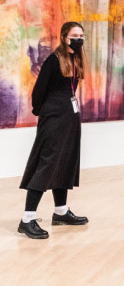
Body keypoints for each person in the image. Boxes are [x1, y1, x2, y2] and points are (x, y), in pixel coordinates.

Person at [18, 21, 89, 239]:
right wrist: (42, 112)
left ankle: (61, 211)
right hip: (53, 117)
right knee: (46, 164)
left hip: (69, 117)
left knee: (66, 160)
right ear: (64, 37)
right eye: (74, 35)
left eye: (81, 35)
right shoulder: (53, 60)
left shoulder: (76, 59)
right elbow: (39, 91)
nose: (78, 39)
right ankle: (27, 219)